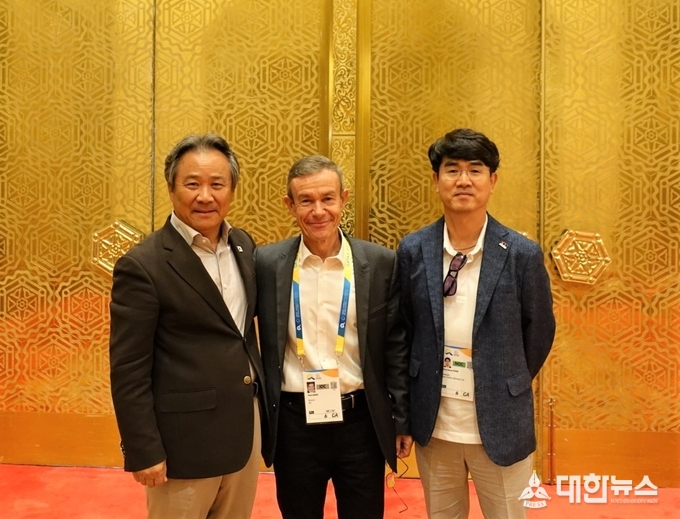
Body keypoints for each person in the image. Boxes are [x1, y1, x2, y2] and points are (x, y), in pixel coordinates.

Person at [397, 128, 556, 519]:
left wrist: (506, 379)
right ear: (436, 180)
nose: (463, 180)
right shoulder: (414, 249)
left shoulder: (521, 254)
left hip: (501, 420)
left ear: (493, 180)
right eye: (452, 170)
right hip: (435, 423)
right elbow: (404, 330)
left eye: (475, 170)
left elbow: (539, 331)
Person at [109, 133, 267, 519]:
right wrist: (143, 449)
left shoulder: (243, 245)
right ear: (171, 188)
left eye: (217, 184)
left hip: (242, 435)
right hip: (183, 446)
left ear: (232, 190)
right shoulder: (143, 265)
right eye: (192, 184)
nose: (205, 196)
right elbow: (128, 369)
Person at [255, 155, 412, 519]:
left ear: (343, 199)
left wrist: (401, 417)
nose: (318, 211)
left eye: (327, 198)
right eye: (306, 201)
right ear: (289, 205)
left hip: (360, 423)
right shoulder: (267, 263)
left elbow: (395, 346)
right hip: (294, 423)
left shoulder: (380, 263)